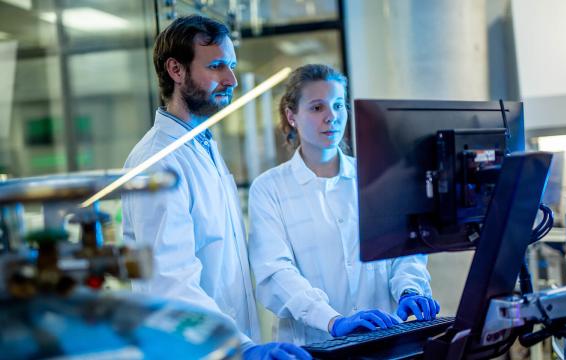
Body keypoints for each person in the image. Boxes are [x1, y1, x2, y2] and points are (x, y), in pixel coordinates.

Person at [121, 15, 310, 359]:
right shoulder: (157, 162)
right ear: (176, 70)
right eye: (218, 66)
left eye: (232, 66)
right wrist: (244, 348)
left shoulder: (203, 145)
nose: (232, 79)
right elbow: (171, 283)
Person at [248, 64, 440, 345]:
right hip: (316, 345)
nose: (332, 117)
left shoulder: (378, 178)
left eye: (338, 105)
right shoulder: (269, 189)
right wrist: (332, 320)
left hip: (385, 340)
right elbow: (275, 273)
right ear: (292, 116)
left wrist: (410, 290)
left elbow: (405, 252)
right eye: (317, 108)